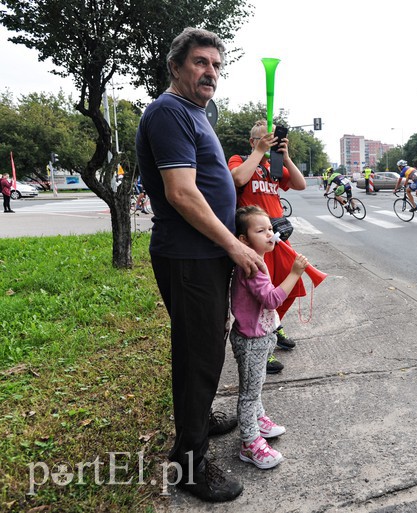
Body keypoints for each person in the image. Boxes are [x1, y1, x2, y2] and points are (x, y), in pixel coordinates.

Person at [135, 27, 268, 503]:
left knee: (203, 344)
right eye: (200, 62)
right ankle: (190, 463)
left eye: (216, 65)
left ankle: (200, 414)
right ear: (176, 67)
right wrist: (234, 247)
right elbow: (181, 192)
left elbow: (221, 180)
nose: (210, 71)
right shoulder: (169, 111)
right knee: (199, 355)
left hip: (203, 255)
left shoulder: (194, 113)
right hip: (190, 256)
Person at [230, 205, 308, 469]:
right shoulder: (252, 266)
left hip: (259, 337)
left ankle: (258, 419)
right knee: (249, 393)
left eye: (270, 229)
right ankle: (249, 443)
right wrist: (295, 274)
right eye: (260, 231)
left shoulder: (257, 260)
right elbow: (271, 299)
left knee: (257, 385)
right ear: (243, 240)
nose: (269, 235)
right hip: (251, 341)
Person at [228, 119, 307, 374]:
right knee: (262, 291)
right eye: (265, 139)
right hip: (255, 238)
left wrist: (285, 156)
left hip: (277, 235)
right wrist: (259, 151)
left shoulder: (273, 166)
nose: (270, 144)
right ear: (253, 142)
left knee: (291, 285)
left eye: (273, 140)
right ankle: (265, 346)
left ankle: (275, 324)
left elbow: (299, 184)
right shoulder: (242, 159)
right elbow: (237, 179)